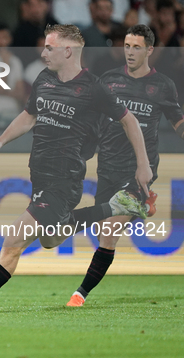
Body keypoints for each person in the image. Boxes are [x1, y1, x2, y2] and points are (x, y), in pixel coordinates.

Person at [0, 24, 153, 315]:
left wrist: (143, 165)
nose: (42, 54)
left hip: (64, 180)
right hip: (39, 177)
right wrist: (0, 140)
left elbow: (129, 121)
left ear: (68, 51)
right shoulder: (44, 79)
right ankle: (114, 206)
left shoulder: (93, 87)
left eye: (49, 48)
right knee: (50, 239)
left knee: (13, 241)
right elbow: (29, 116)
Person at [66, 24, 184, 307]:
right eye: (127, 46)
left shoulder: (163, 86)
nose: (130, 52)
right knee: (105, 237)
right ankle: (143, 205)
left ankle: (79, 294)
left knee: (108, 229)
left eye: (137, 47)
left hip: (139, 171)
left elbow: (178, 122)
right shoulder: (109, 79)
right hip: (108, 168)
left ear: (150, 50)